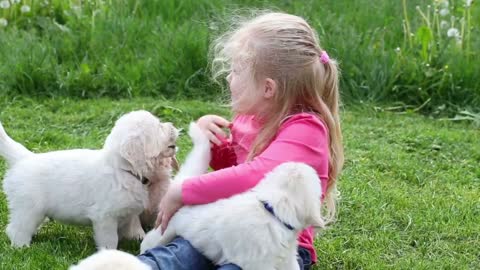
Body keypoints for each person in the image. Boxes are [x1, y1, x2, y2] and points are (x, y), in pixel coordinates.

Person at [138, 11, 344, 270]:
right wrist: (212, 145)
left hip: (277, 242)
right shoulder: (252, 119)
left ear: (268, 88)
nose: (228, 77)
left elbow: (255, 175)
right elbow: (235, 175)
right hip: (228, 225)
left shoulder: (307, 130)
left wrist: (183, 190)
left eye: (236, 70)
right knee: (179, 254)